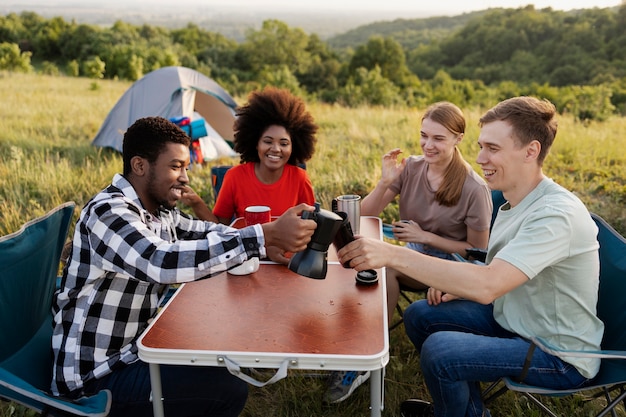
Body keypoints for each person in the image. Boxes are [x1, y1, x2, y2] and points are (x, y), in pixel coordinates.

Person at [337, 96, 603, 417]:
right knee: (420, 315)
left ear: (530, 151)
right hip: (513, 317)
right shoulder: (514, 200)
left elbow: (488, 285)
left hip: (556, 353)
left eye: (492, 148)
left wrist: (390, 254)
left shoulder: (555, 214)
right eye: (480, 146)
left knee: (441, 351)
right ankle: (464, 410)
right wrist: (456, 284)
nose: (479, 158)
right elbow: (494, 266)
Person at [51, 116, 317, 417]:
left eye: (186, 167)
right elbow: (161, 261)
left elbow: (205, 232)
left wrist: (268, 239)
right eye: (176, 166)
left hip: (138, 348)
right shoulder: (109, 213)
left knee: (214, 345)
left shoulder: (157, 211)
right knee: (227, 391)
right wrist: (260, 237)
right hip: (96, 376)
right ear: (140, 166)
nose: (185, 178)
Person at [361, 101, 492, 324]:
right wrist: (384, 183)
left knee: (387, 267)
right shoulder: (411, 167)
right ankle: (365, 330)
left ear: (458, 138)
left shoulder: (474, 188)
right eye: (424, 136)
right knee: (369, 258)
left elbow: (477, 251)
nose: (428, 145)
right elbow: (364, 215)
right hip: (414, 255)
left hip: (452, 265)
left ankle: (377, 342)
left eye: (438, 138)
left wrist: (425, 237)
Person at [182, 86, 317, 264]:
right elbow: (219, 227)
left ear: (294, 147)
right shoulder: (235, 177)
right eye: (268, 141)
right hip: (246, 261)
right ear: (255, 143)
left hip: (286, 263)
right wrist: (196, 202)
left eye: (284, 143)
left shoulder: (300, 178)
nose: (275, 149)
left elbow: (312, 226)